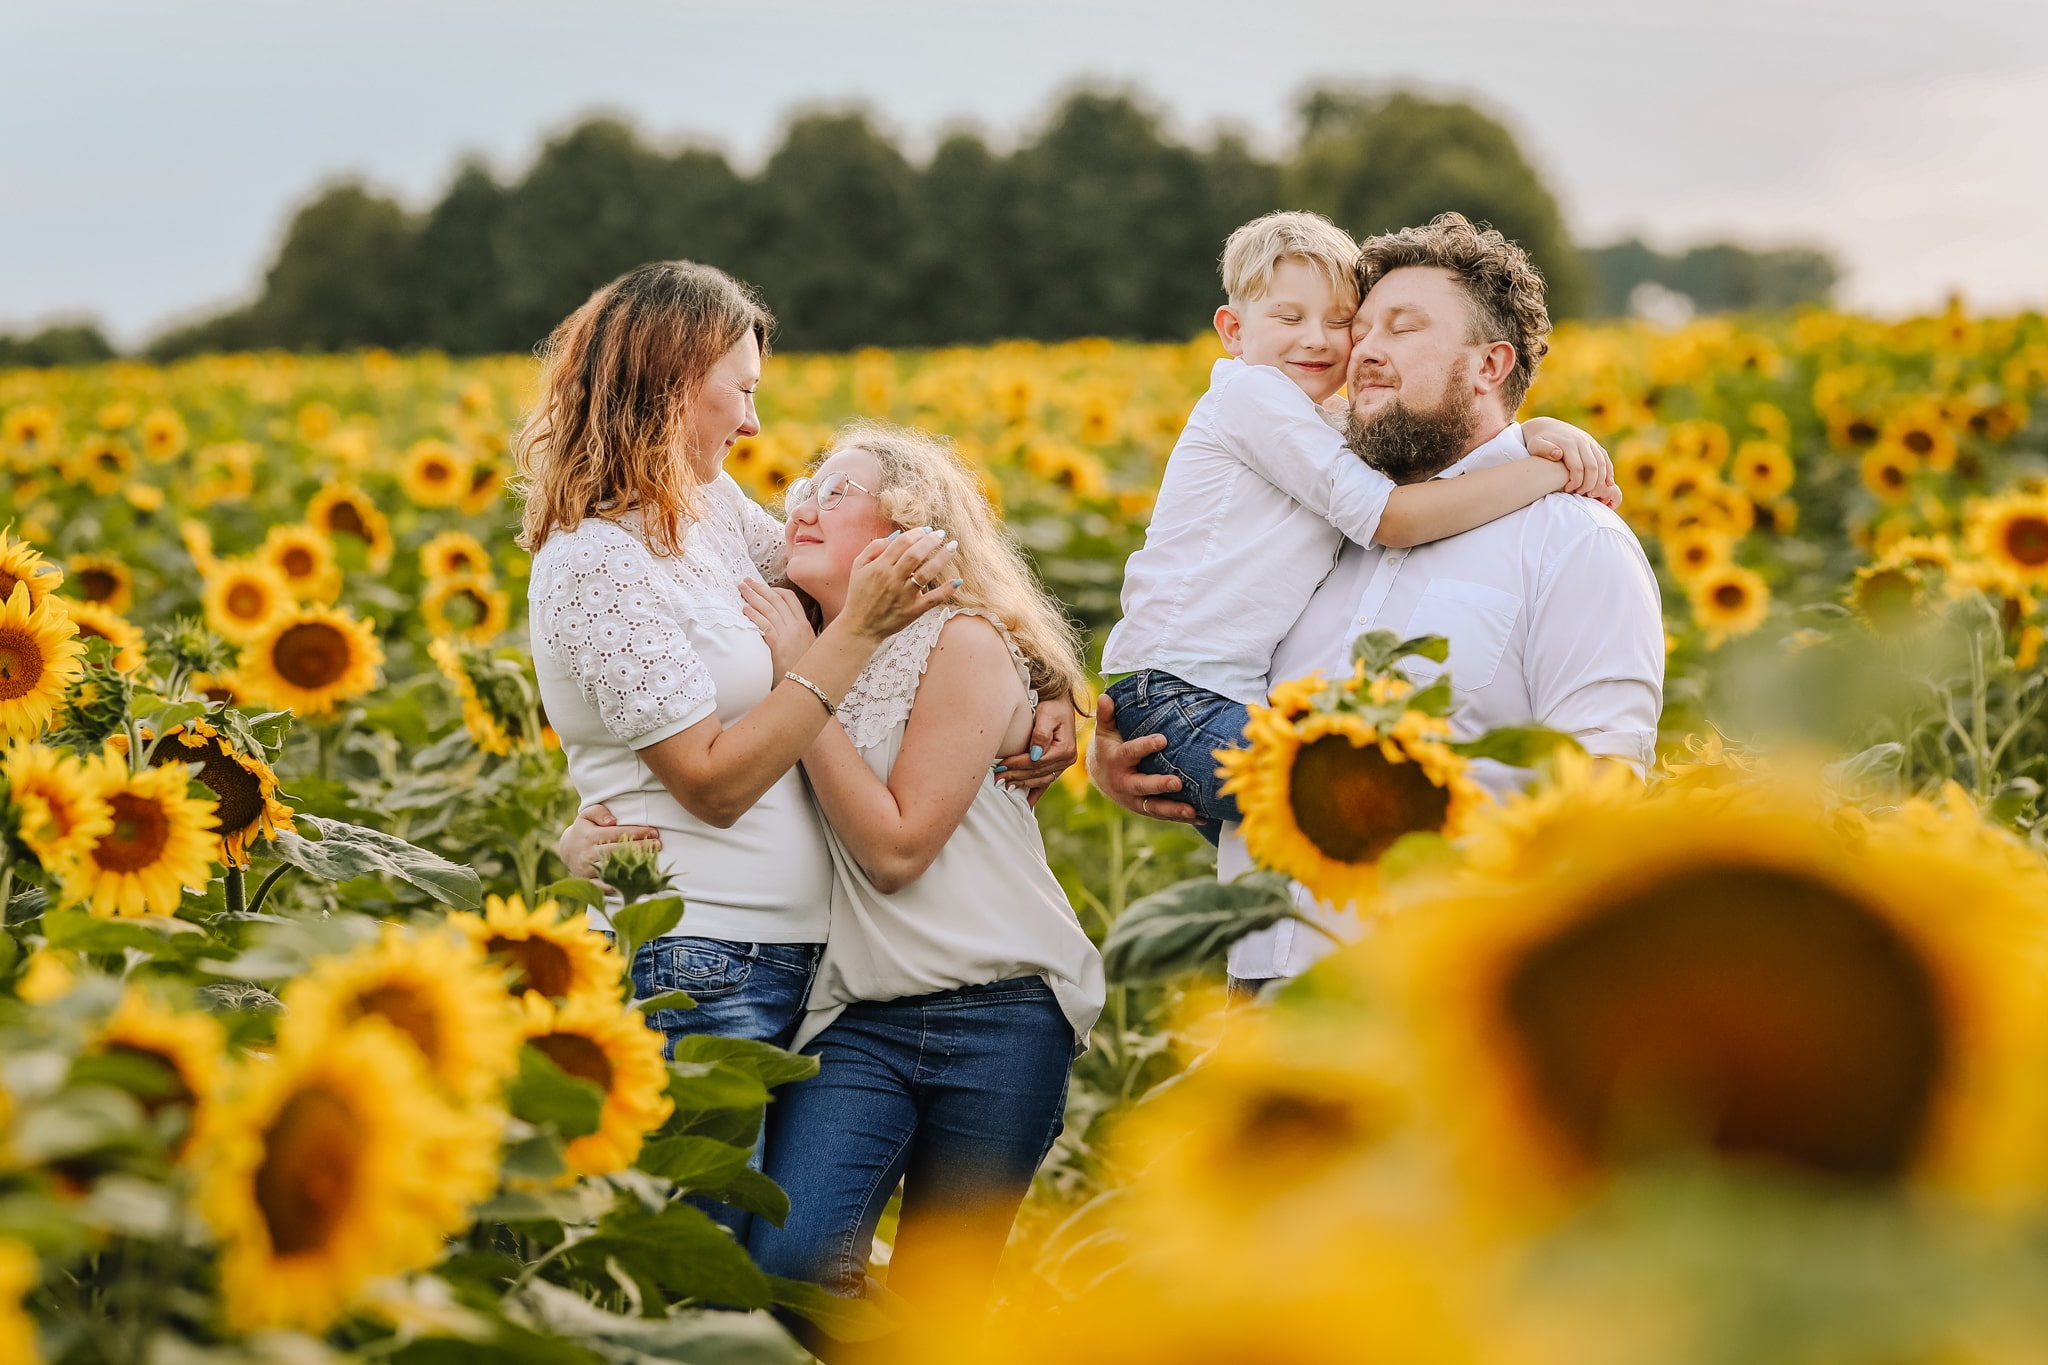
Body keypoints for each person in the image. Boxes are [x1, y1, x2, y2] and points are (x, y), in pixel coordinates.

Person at [566, 424, 1103, 1351]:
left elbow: (897, 849)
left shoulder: (959, 641)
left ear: (912, 534)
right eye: (802, 487)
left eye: (839, 489)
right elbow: (691, 751)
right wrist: (585, 831)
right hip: (859, 1014)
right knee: (791, 1271)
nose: (801, 502)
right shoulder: (785, 635)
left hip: (1004, 1012)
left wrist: (801, 680)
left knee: (944, 1294)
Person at [522, 261, 1076, 1079]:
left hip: (799, 971)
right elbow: (713, 786)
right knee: (708, 1208)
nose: (752, 425)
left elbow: (881, 570)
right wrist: (840, 641)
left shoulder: (704, 511)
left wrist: (1045, 677)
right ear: (674, 385)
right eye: (740, 391)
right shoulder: (595, 560)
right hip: (693, 959)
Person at [1093, 213, 1665, 989]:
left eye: (1398, 327)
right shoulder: (1326, 527)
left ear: (1490, 363)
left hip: (1438, 989)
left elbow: (1603, 786)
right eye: (1359, 329)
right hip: (1267, 983)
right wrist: (1141, 763)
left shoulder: (1572, 540)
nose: (1357, 349)